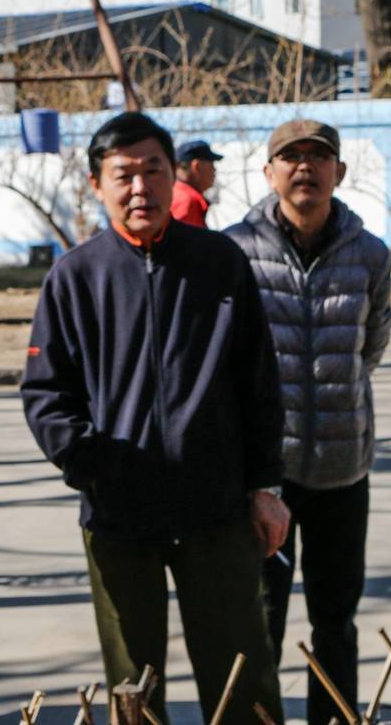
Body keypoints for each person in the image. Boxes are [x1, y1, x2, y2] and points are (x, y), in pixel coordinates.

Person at [23, 111, 287, 725]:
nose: (139, 187)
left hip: (216, 511)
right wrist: (94, 467)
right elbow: (45, 396)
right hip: (119, 517)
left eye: (153, 170)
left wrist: (266, 487)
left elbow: (259, 384)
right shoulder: (74, 277)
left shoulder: (219, 262)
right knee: (133, 690)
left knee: (242, 680)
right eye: (123, 174)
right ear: (96, 184)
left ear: (175, 178)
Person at [223, 119, 391, 724]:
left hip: (344, 470)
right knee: (260, 617)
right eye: (289, 158)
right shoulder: (235, 252)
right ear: (268, 174)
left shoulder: (369, 254)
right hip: (265, 473)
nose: (304, 168)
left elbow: (369, 349)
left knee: (336, 620)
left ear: (339, 173)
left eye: (318, 157)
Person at [170, 138, 221, 227]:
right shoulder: (187, 200)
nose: (214, 170)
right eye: (211, 164)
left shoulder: (176, 194)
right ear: (196, 166)